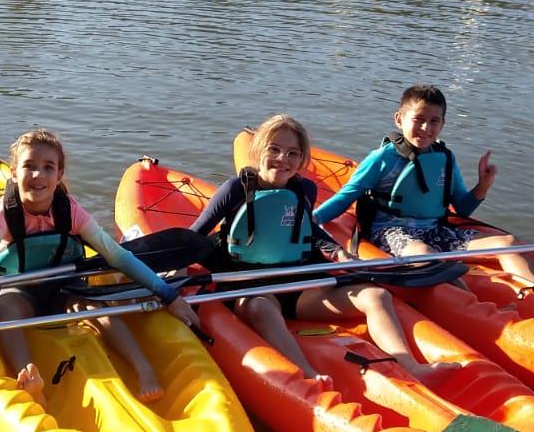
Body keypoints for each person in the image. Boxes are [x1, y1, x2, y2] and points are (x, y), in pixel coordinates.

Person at [0, 129, 201, 403]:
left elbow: (117, 256)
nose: (38, 175)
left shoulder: (69, 211)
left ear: (59, 176)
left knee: (92, 305)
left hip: (65, 288)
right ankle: (28, 375)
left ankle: (144, 369)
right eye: (29, 166)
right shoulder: (4, 214)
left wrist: (169, 295)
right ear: (13, 172)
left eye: (48, 167)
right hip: (20, 290)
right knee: (4, 306)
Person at [189, 114, 442, 384]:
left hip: (298, 287)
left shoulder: (304, 190)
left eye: (292, 153)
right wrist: (175, 269)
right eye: (274, 149)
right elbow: (195, 236)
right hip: (251, 288)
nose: (282, 159)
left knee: (376, 296)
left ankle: (410, 367)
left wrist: (338, 253)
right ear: (257, 150)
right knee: (262, 309)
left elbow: (311, 230)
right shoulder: (233, 191)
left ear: (301, 160)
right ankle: (308, 376)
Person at [313, 84, 534, 304]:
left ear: (442, 124)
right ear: (400, 119)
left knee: (510, 241)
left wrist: (482, 186)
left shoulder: (443, 157)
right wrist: (311, 221)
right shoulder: (382, 158)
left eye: (434, 121)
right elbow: (346, 197)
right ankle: (475, 305)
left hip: (436, 228)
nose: (426, 128)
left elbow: (461, 209)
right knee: (424, 254)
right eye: (418, 120)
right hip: (392, 230)